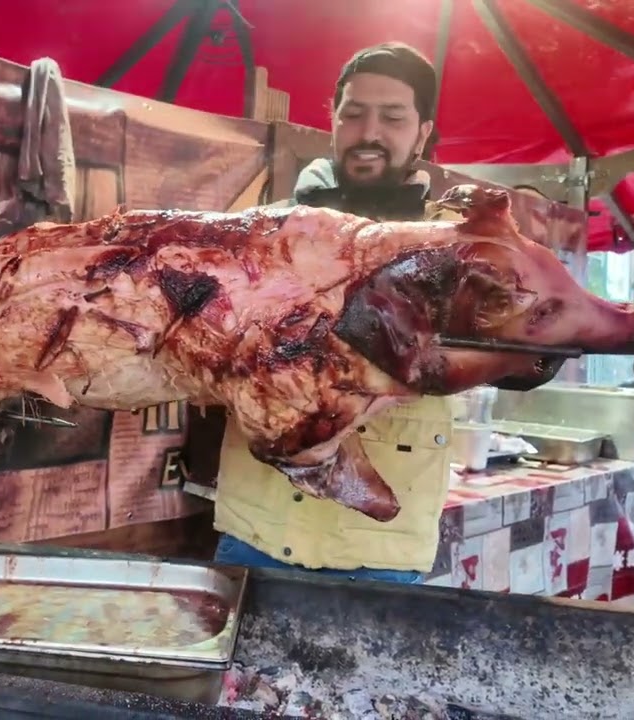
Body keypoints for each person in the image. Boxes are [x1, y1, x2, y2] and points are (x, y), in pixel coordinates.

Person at [210, 43, 462, 584]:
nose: (369, 131)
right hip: (255, 531)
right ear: (332, 120)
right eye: (353, 113)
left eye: (392, 118)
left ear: (422, 133)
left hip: (377, 550)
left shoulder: (455, 247)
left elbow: (524, 357)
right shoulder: (266, 232)